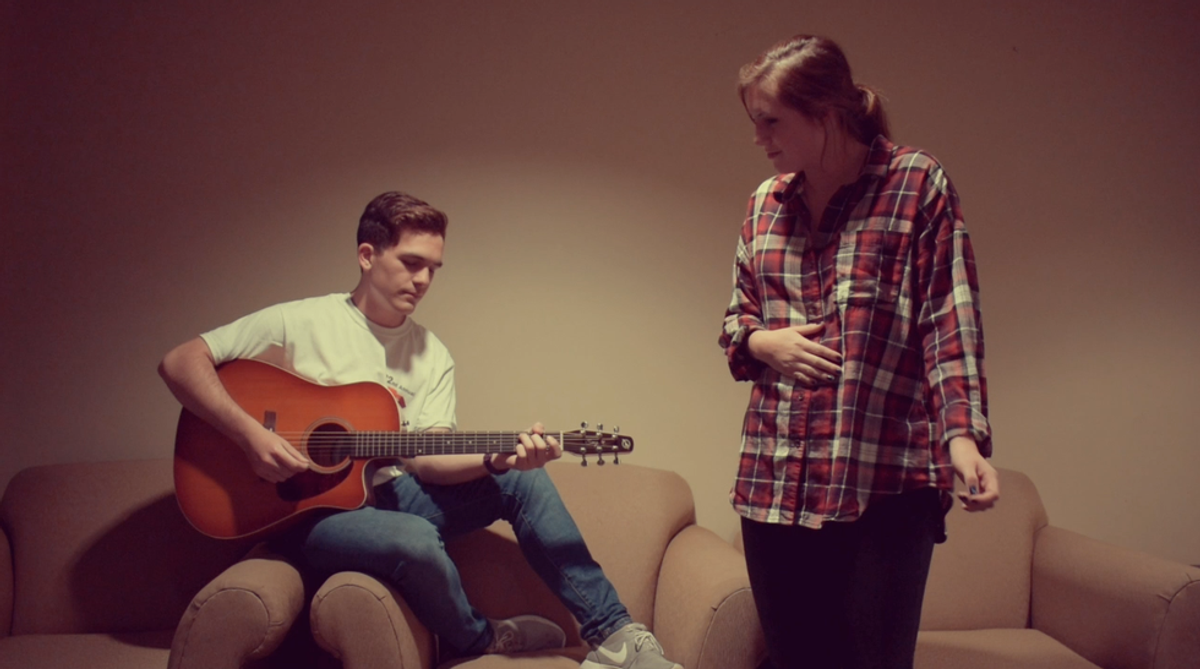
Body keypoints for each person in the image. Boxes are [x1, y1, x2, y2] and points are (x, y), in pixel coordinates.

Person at [159, 191, 681, 669]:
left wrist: (498, 459)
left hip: (392, 494)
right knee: (413, 537)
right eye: (412, 263)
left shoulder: (431, 354)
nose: (424, 280)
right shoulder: (300, 322)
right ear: (368, 255)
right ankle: (478, 638)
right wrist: (251, 436)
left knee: (524, 479)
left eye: (434, 268)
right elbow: (180, 362)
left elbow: (428, 460)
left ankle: (615, 636)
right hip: (305, 514)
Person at [718, 35, 1001, 669]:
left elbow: (948, 320)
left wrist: (962, 439)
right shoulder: (764, 205)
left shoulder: (916, 184)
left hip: (884, 485)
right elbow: (737, 319)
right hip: (775, 483)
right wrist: (762, 341)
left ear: (825, 114)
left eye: (770, 121)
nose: (758, 137)